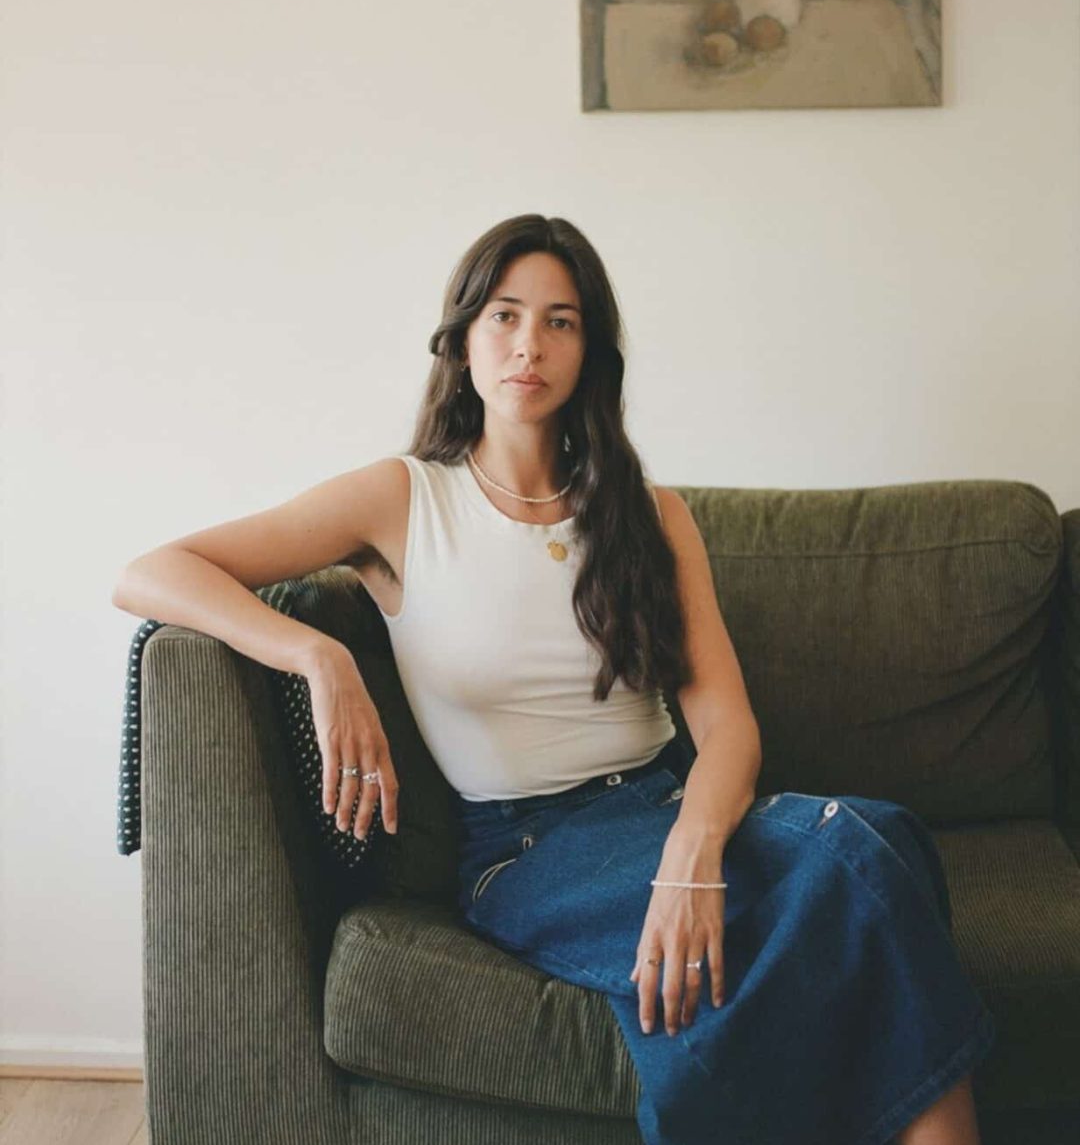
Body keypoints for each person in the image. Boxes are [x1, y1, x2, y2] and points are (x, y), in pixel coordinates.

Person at [113, 213, 995, 1145]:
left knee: (872, 841)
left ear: (591, 351)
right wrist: (317, 655)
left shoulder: (650, 516)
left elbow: (727, 728)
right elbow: (153, 572)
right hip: (529, 847)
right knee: (839, 885)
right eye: (505, 315)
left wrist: (690, 860)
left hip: (665, 806)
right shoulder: (399, 498)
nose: (529, 344)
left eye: (561, 321)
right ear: (462, 338)